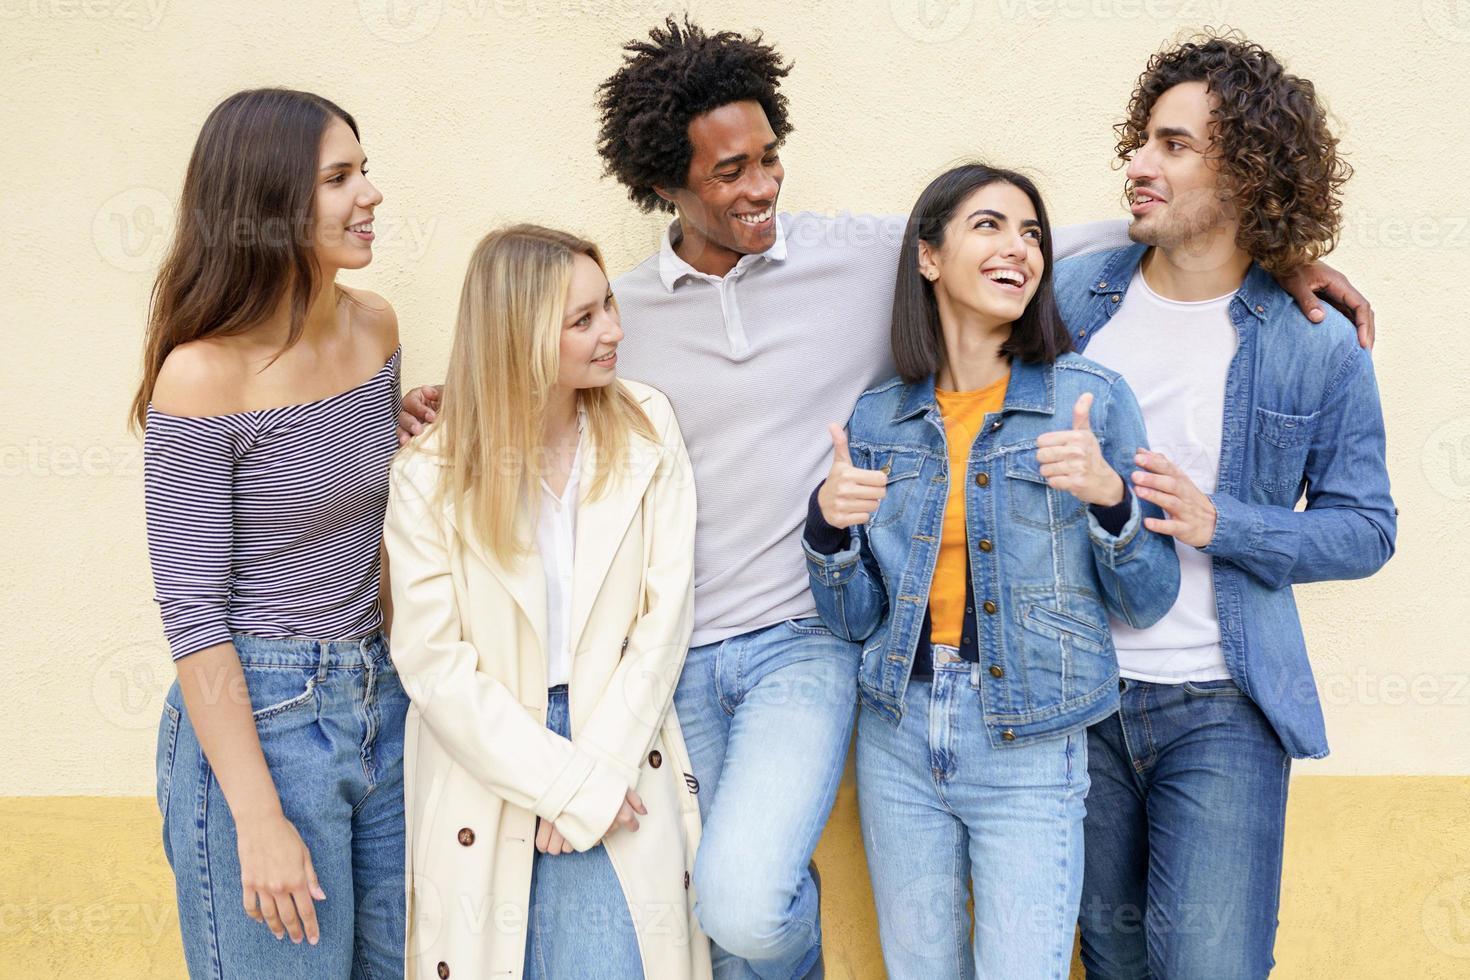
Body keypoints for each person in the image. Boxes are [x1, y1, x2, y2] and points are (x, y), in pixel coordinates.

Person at [397, 19, 1376, 978]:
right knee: (722, 915)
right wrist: (448, 401)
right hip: (678, 653)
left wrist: (1265, 246)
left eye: (769, 157)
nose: (762, 185)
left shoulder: (860, 258)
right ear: (664, 182)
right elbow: (533, 354)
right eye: (729, 171)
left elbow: (1022, 242)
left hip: (829, 652)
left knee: (745, 891)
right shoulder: (625, 315)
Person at [1052, 33, 1397, 978]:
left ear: (1247, 172)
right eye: (1141, 141)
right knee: (1111, 962)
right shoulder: (1075, 299)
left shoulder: (1315, 341)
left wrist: (1222, 523)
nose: (1137, 163)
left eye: (1172, 146)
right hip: (1079, 698)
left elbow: (1367, 529)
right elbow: (967, 247)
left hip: (1225, 705)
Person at [802, 163, 1180, 978]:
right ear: (929, 258)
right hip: (898, 732)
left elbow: (1149, 597)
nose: (1020, 248)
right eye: (990, 226)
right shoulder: (879, 416)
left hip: (1032, 739)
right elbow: (855, 619)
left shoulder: (1088, 400)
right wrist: (827, 529)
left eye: (1033, 233)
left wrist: (1110, 499)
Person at [382, 224, 709, 979]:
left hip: (617, 735)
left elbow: (666, 618)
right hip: (490, 754)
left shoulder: (647, 426)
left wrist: (596, 770)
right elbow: (433, 666)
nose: (615, 332)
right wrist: (562, 783)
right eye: (584, 319)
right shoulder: (429, 473)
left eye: (610, 307)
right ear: (520, 335)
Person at [136, 88, 408, 976]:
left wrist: (411, 426)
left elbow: (336, 480)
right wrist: (255, 816)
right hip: (263, 722)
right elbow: (195, 616)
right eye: (339, 178)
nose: (369, 194)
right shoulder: (202, 377)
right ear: (265, 203)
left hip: (385, 701)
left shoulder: (374, 328)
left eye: (363, 170)